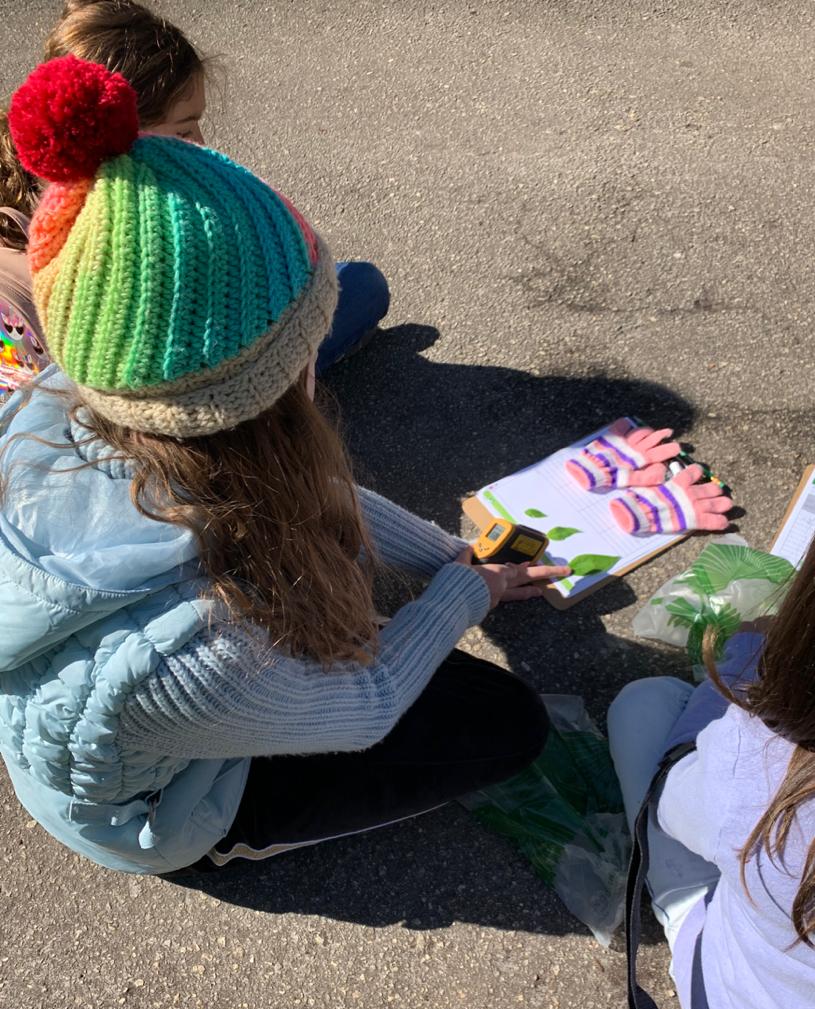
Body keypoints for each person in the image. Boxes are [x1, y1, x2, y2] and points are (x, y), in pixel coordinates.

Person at [0, 55, 570, 875]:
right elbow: (366, 708)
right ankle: (237, 846)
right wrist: (462, 593)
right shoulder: (191, 657)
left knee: (388, 642)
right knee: (509, 725)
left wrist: (449, 558)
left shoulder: (69, 395)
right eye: (311, 337)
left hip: (141, 687)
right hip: (163, 807)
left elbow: (314, 492)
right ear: (272, 388)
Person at [0, 0, 388, 396]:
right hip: (176, 395)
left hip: (51, 410)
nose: (200, 143)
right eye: (185, 131)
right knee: (358, 286)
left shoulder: (42, 190)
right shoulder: (141, 230)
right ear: (119, 129)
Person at [608, 551, 815, 1009]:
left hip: (723, 996)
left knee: (644, 704)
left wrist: (750, 661)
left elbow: (669, 802)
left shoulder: (771, 763)